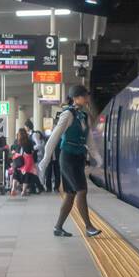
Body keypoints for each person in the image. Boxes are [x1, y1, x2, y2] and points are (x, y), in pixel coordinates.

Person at [41, 86, 100, 237]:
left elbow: (89, 141)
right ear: (76, 98)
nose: (87, 98)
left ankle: (58, 227)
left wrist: (98, 158)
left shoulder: (85, 116)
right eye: (84, 95)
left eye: (87, 95)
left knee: (71, 193)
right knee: (82, 190)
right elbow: (54, 137)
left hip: (79, 158)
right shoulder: (67, 114)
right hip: (67, 157)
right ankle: (88, 227)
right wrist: (46, 159)